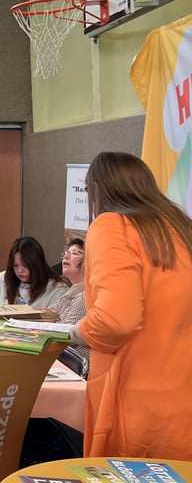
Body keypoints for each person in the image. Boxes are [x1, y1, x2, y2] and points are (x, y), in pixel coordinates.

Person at [70, 152, 192, 460]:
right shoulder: (180, 228)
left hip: (138, 399)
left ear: (96, 188)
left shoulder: (112, 226)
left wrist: (77, 332)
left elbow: (115, 320)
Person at [0, 236, 67, 309]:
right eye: (15, 266)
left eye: (25, 265)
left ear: (36, 264)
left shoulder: (56, 290)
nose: (20, 270)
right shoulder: (2, 280)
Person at [48, 238, 88, 358]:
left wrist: (53, 321)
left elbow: (65, 336)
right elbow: (46, 314)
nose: (66, 257)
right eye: (66, 253)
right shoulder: (70, 292)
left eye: (75, 253)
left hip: (75, 366)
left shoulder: (84, 295)